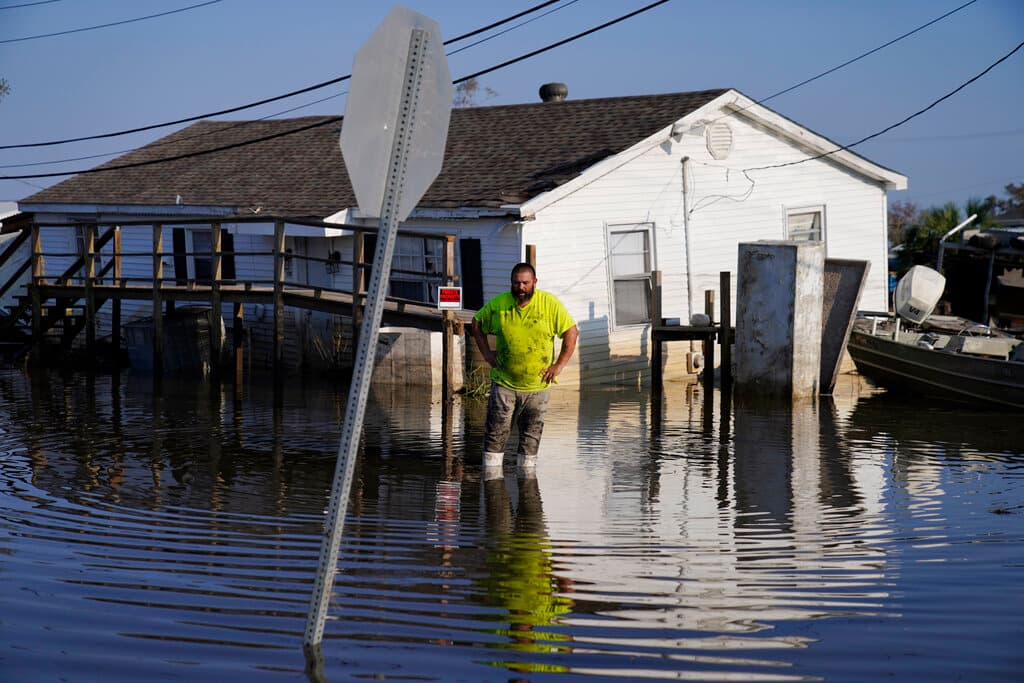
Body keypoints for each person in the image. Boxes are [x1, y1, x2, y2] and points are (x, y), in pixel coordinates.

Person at [471, 263, 578, 472]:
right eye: (516, 283)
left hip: (538, 386)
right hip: (504, 384)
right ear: (511, 283)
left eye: (525, 283)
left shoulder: (549, 304)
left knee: (530, 441)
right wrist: (486, 354)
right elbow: (476, 323)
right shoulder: (500, 304)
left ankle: (528, 490)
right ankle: (493, 485)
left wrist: (558, 366)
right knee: (495, 438)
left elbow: (571, 332)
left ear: (534, 283)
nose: (521, 287)